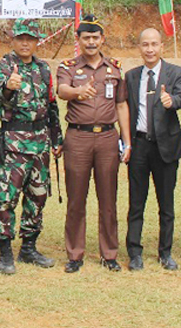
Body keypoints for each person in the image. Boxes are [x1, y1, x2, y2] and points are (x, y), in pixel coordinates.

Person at [56, 14, 131, 272]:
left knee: (108, 198)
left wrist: (127, 140)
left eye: (95, 38)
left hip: (108, 138)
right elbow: (62, 91)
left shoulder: (115, 68)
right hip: (78, 138)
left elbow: (121, 105)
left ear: (102, 39)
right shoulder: (68, 67)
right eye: (86, 38)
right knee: (76, 198)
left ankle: (109, 254)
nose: (91, 42)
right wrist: (78, 92)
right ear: (78, 40)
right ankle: (75, 254)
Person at [0, 19, 62, 275]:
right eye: (20, 38)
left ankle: (29, 247)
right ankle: (5, 252)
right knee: (7, 197)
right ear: (13, 39)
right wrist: (9, 88)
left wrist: (57, 138)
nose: (25, 43)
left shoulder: (44, 69)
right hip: (14, 144)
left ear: (36, 41)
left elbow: (52, 105)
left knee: (38, 195)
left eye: (30, 39)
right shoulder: (4, 66)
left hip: (41, 142)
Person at [124, 28, 181, 271]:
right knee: (136, 202)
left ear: (162, 46)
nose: (150, 49)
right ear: (139, 47)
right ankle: (134, 252)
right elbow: (125, 108)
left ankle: (165, 252)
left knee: (166, 203)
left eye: (154, 44)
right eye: (145, 44)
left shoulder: (176, 73)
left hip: (166, 147)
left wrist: (171, 101)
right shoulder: (131, 76)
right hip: (139, 145)